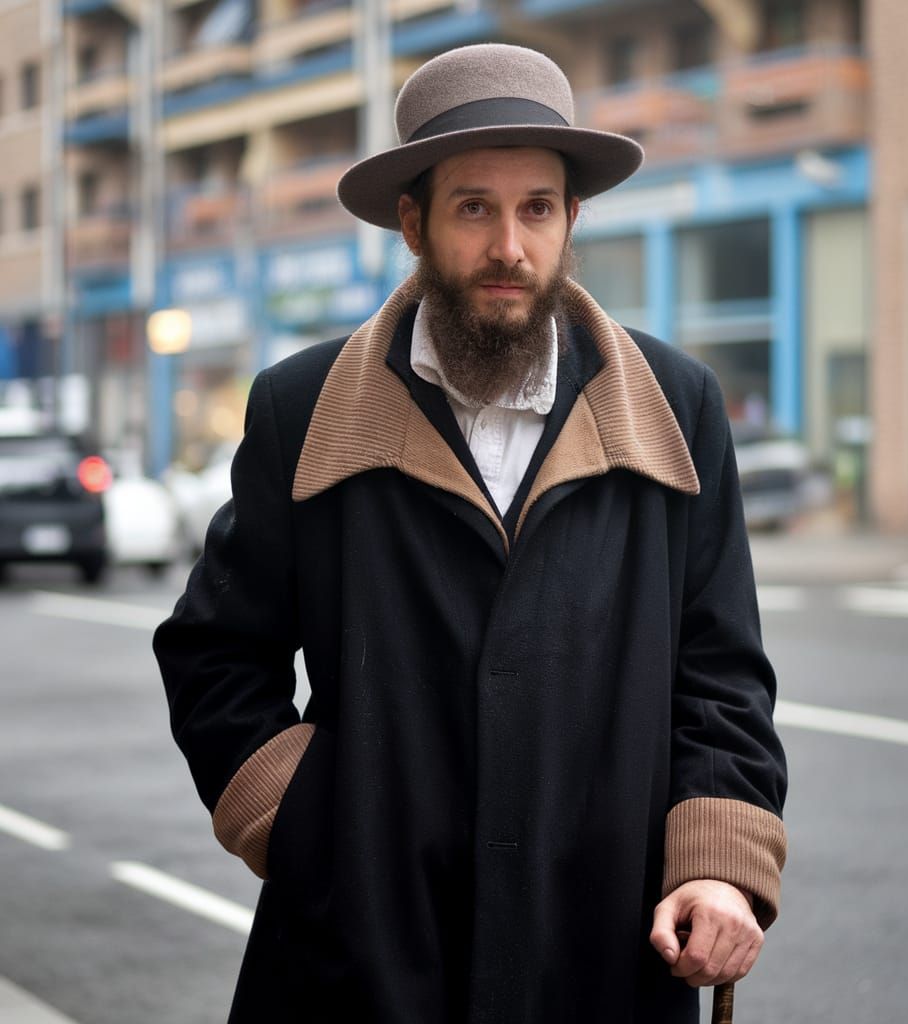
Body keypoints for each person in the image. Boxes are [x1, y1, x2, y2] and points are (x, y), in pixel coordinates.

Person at [154, 43, 787, 1024]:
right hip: (356, 965)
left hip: (604, 954)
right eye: (473, 208)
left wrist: (716, 869)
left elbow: (718, 672)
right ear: (414, 222)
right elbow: (214, 655)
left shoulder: (679, 404)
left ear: (571, 218)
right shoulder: (300, 407)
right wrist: (311, 831)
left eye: (536, 207)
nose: (509, 248)